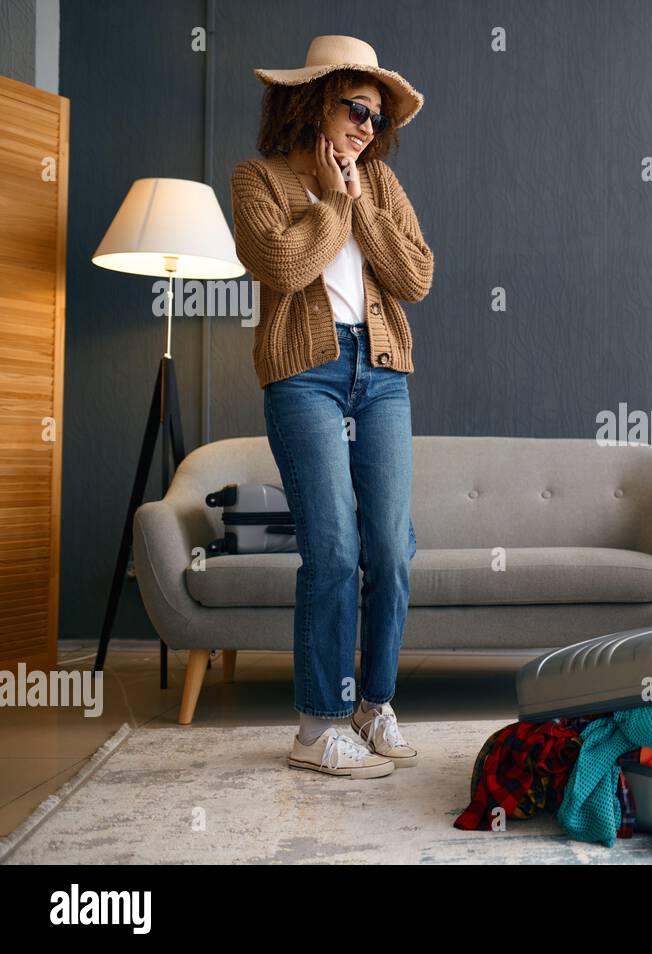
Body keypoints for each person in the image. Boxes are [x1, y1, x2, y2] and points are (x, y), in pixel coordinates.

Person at [229, 35, 434, 778]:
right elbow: (283, 265)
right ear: (314, 98)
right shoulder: (257, 179)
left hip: (380, 376)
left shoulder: (376, 183)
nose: (366, 129)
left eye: (377, 119)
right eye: (356, 109)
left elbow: (416, 276)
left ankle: (373, 705)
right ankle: (317, 728)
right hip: (305, 376)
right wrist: (330, 205)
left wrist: (355, 200)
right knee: (335, 548)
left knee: (389, 548)